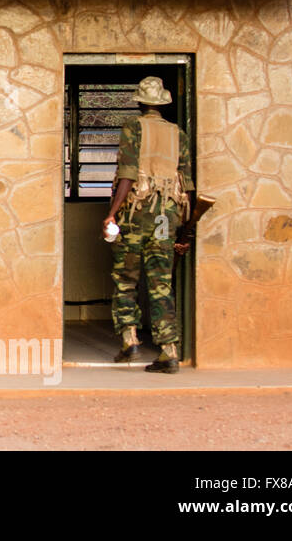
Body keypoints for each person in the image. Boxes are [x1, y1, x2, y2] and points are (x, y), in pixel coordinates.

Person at [101, 76, 195, 374]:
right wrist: (186, 227)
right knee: (160, 281)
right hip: (165, 217)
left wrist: (112, 213)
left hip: (136, 213)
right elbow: (187, 183)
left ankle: (130, 341)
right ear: (162, 102)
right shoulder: (177, 133)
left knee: (126, 277)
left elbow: (127, 173)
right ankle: (169, 350)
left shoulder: (133, 126)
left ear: (141, 102)